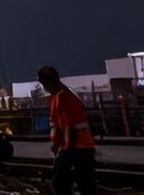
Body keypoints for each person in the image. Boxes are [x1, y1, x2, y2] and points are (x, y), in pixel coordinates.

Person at [37, 66, 97, 195]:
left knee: (62, 182)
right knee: (84, 183)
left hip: (76, 147)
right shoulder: (59, 96)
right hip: (79, 146)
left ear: (46, 83)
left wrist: (61, 149)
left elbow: (67, 126)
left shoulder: (62, 98)